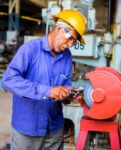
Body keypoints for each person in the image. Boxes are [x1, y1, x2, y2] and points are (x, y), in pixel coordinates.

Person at [2, 9, 87, 150]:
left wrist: (69, 94)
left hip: (54, 128)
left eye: (74, 41)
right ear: (59, 29)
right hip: (28, 129)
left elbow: (65, 85)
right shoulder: (30, 49)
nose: (70, 44)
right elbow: (8, 80)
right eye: (70, 38)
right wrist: (48, 91)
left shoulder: (67, 56)